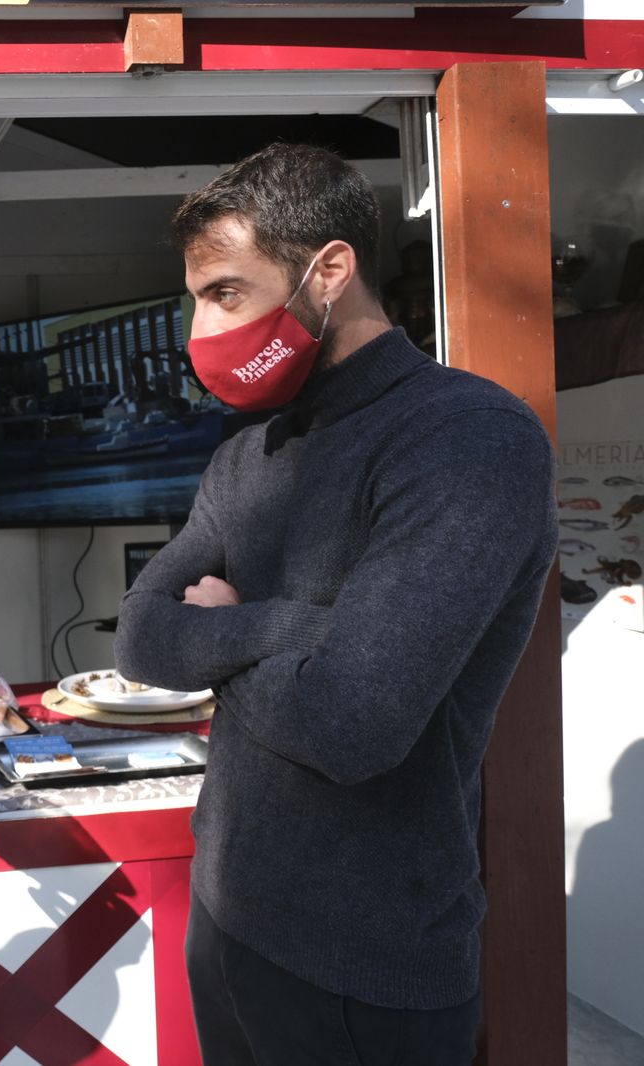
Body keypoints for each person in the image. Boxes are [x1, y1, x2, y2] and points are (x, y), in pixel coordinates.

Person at [113, 144, 557, 1065]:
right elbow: (141, 635)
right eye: (197, 297)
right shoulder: (250, 449)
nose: (201, 327)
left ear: (330, 271)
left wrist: (224, 633)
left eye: (227, 292)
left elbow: (352, 721)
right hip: (229, 925)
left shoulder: (466, 438)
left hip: (367, 967)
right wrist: (293, 629)